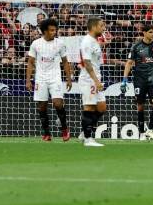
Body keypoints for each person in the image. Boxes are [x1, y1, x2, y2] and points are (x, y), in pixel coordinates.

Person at [26, 18, 72, 142]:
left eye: (55, 30)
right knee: (42, 107)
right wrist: (28, 80)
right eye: (51, 30)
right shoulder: (36, 44)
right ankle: (47, 133)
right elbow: (30, 62)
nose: (54, 32)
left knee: (58, 103)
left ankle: (64, 130)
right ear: (45, 31)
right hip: (40, 79)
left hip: (55, 78)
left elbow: (65, 62)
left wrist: (69, 79)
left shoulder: (60, 44)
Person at [122, 24, 153, 141]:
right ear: (144, 33)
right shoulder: (136, 46)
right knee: (140, 106)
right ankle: (142, 133)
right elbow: (129, 63)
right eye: (150, 32)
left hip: (152, 80)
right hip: (139, 80)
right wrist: (124, 80)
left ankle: (149, 130)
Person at [78, 17, 107, 148]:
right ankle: (88, 139)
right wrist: (96, 81)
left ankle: (85, 132)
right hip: (89, 79)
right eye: (101, 26)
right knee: (89, 107)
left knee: (102, 108)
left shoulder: (95, 41)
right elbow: (87, 63)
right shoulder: (86, 42)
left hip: (96, 78)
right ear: (94, 27)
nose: (103, 28)